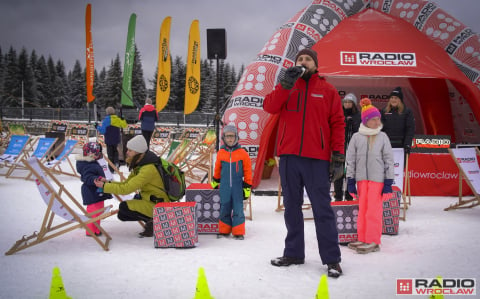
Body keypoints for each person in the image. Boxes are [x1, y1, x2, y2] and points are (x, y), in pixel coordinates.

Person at [263, 48, 345, 278]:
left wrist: (338, 155)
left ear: (316, 65)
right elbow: (269, 107)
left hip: (317, 160)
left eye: (308, 59)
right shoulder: (287, 88)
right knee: (291, 208)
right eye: (300, 59)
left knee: (322, 210)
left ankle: (332, 260)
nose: (304, 62)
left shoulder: (327, 90)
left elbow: (338, 123)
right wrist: (284, 85)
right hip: (289, 157)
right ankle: (294, 253)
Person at [345, 98, 394, 254]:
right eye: (373, 119)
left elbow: (389, 161)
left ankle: (373, 240)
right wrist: (351, 180)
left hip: (377, 181)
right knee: (363, 210)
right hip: (361, 180)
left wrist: (388, 183)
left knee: (373, 211)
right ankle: (363, 237)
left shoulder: (382, 137)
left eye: (378, 119)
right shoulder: (356, 138)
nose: (376, 122)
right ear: (365, 121)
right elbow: (350, 160)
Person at [94, 135, 167, 238]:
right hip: (152, 200)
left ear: (138, 152)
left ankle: (157, 221)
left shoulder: (148, 169)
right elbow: (126, 184)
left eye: (130, 150)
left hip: (160, 205)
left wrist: (105, 186)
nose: (127, 152)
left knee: (124, 209)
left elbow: (126, 189)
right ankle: (153, 221)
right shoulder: (142, 164)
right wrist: (107, 183)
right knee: (123, 212)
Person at [211, 125, 252, 240]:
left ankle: (238, 231)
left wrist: (247, 186)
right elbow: (217, 168)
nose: (230, 139)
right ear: (223, 137)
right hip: (224, 185)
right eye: (227, 136)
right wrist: (215, 180)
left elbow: (248, 170)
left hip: (237, 186)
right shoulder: (221, 153)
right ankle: (224, 230)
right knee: (224, 206)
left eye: (232, 136)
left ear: (236, 137)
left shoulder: (242, 153)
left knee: (238, 208)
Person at [76, 142, 112, 237]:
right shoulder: (86, 164)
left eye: (96, 154)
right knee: (93, 212)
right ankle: (90, 230)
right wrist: (96, 179)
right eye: (92, 154)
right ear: (86, 153)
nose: (95, 156)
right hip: (91, 191)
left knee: (99, 212)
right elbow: (87, 177)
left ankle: (96, 229)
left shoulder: (94, 162)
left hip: (98, 191)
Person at [333, 93, 361, 201]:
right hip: (340, 148)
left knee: (350, 173)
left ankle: (350, 196)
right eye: (345, 102)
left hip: (353, 148)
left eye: (350, 102)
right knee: (338, 173)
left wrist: (352, 123)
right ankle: (338, 197)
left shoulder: (358, 116)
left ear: (354, 104)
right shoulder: (339, 114)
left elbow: (359, 131)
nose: (347, 104)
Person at [381, 87, 415, 153]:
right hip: (387, 145)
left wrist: (407, 144)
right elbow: (381, 129)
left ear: (400, 100)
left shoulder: (407, 111)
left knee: (399, 163)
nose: (393, 100)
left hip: (401, 146)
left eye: (396, 98)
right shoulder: (384, 111)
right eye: (392, 98)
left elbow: (410, 129)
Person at [96, 106, 127, 173]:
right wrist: (123, 119)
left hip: (108, 139)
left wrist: (97, 126)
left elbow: (102, 131)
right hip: (116, 139)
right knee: (116, 153)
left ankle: (111, 168)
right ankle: (116, 165)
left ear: (107, 112)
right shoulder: (117, 119)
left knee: (110, 154)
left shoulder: (106, 120)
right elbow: (124, 125)